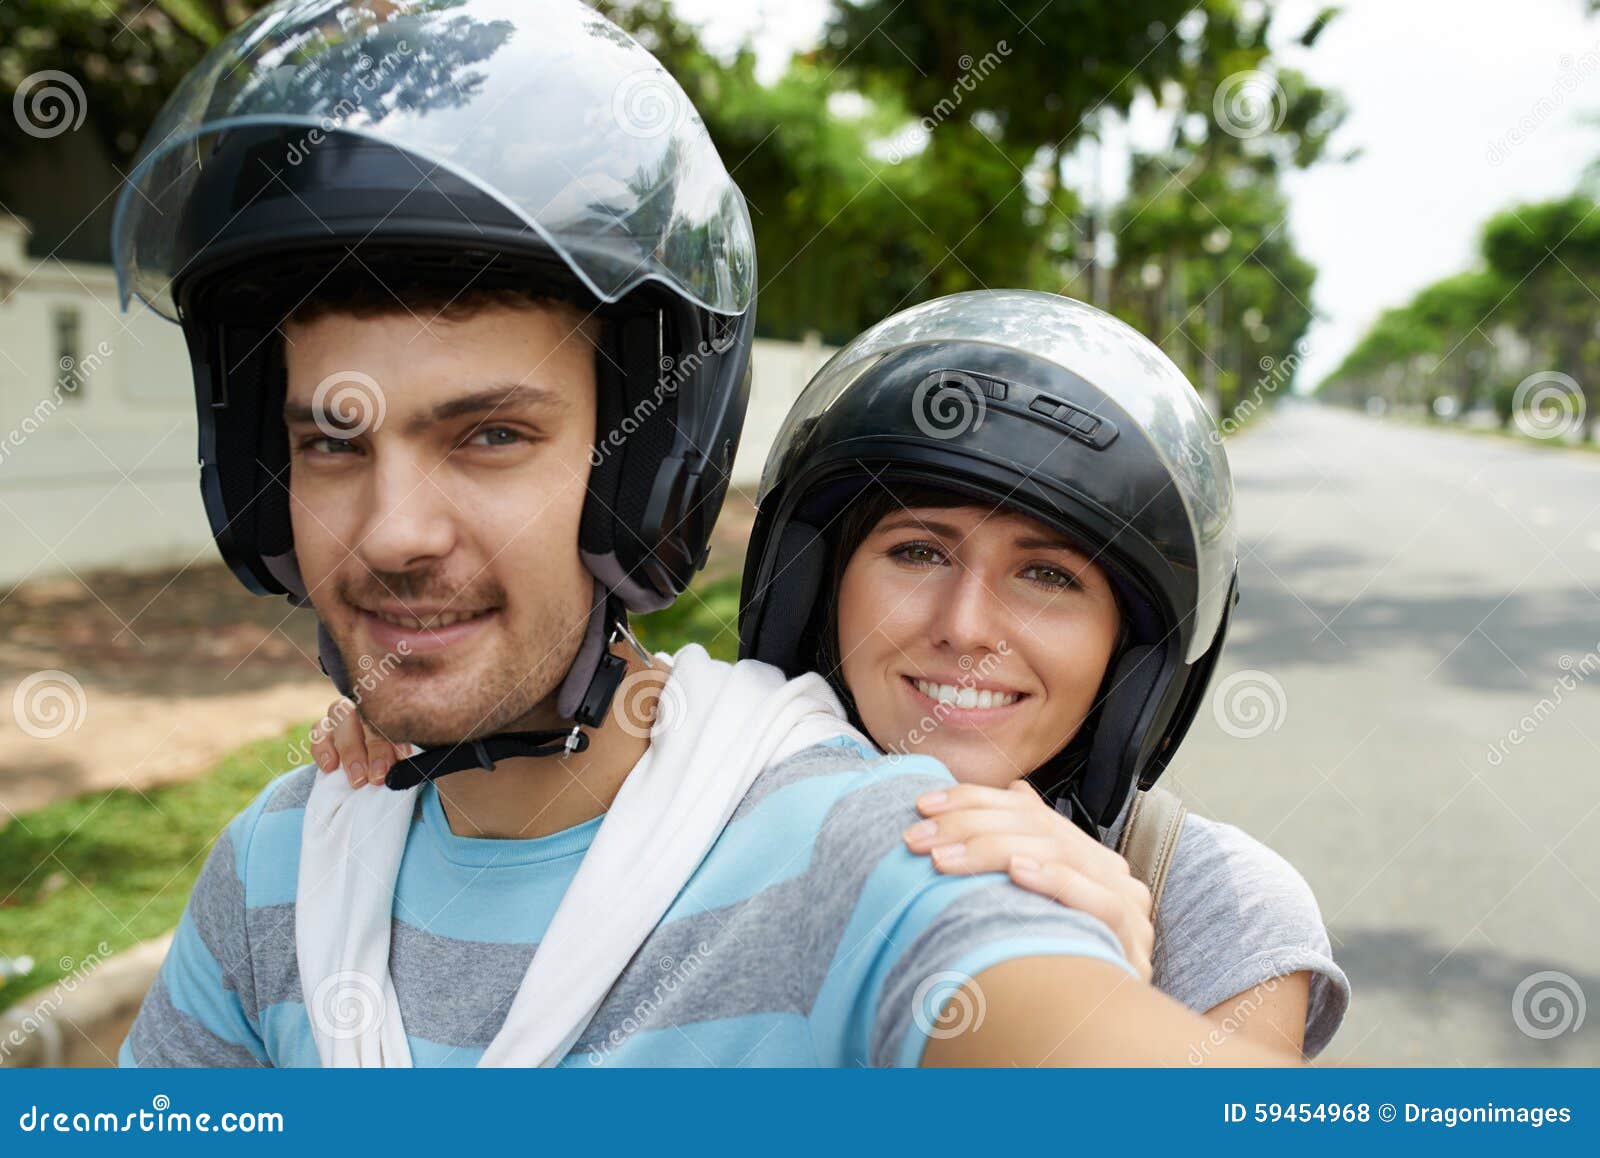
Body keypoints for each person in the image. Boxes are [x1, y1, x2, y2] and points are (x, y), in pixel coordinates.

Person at [112, 0, 1294, 1068]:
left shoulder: (877, 850)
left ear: (636, 470)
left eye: (487, 439)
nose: (394, 535)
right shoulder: (276, 869)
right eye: (330, 442)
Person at [320, 290, 1347, 1060]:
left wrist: (1096, 998)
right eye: (917, 551)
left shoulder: (1218, 907)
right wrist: (435, 724)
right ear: (820, 590)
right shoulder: (696, 802)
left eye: (1044, 575)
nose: (963, 626)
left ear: (1130, 655)